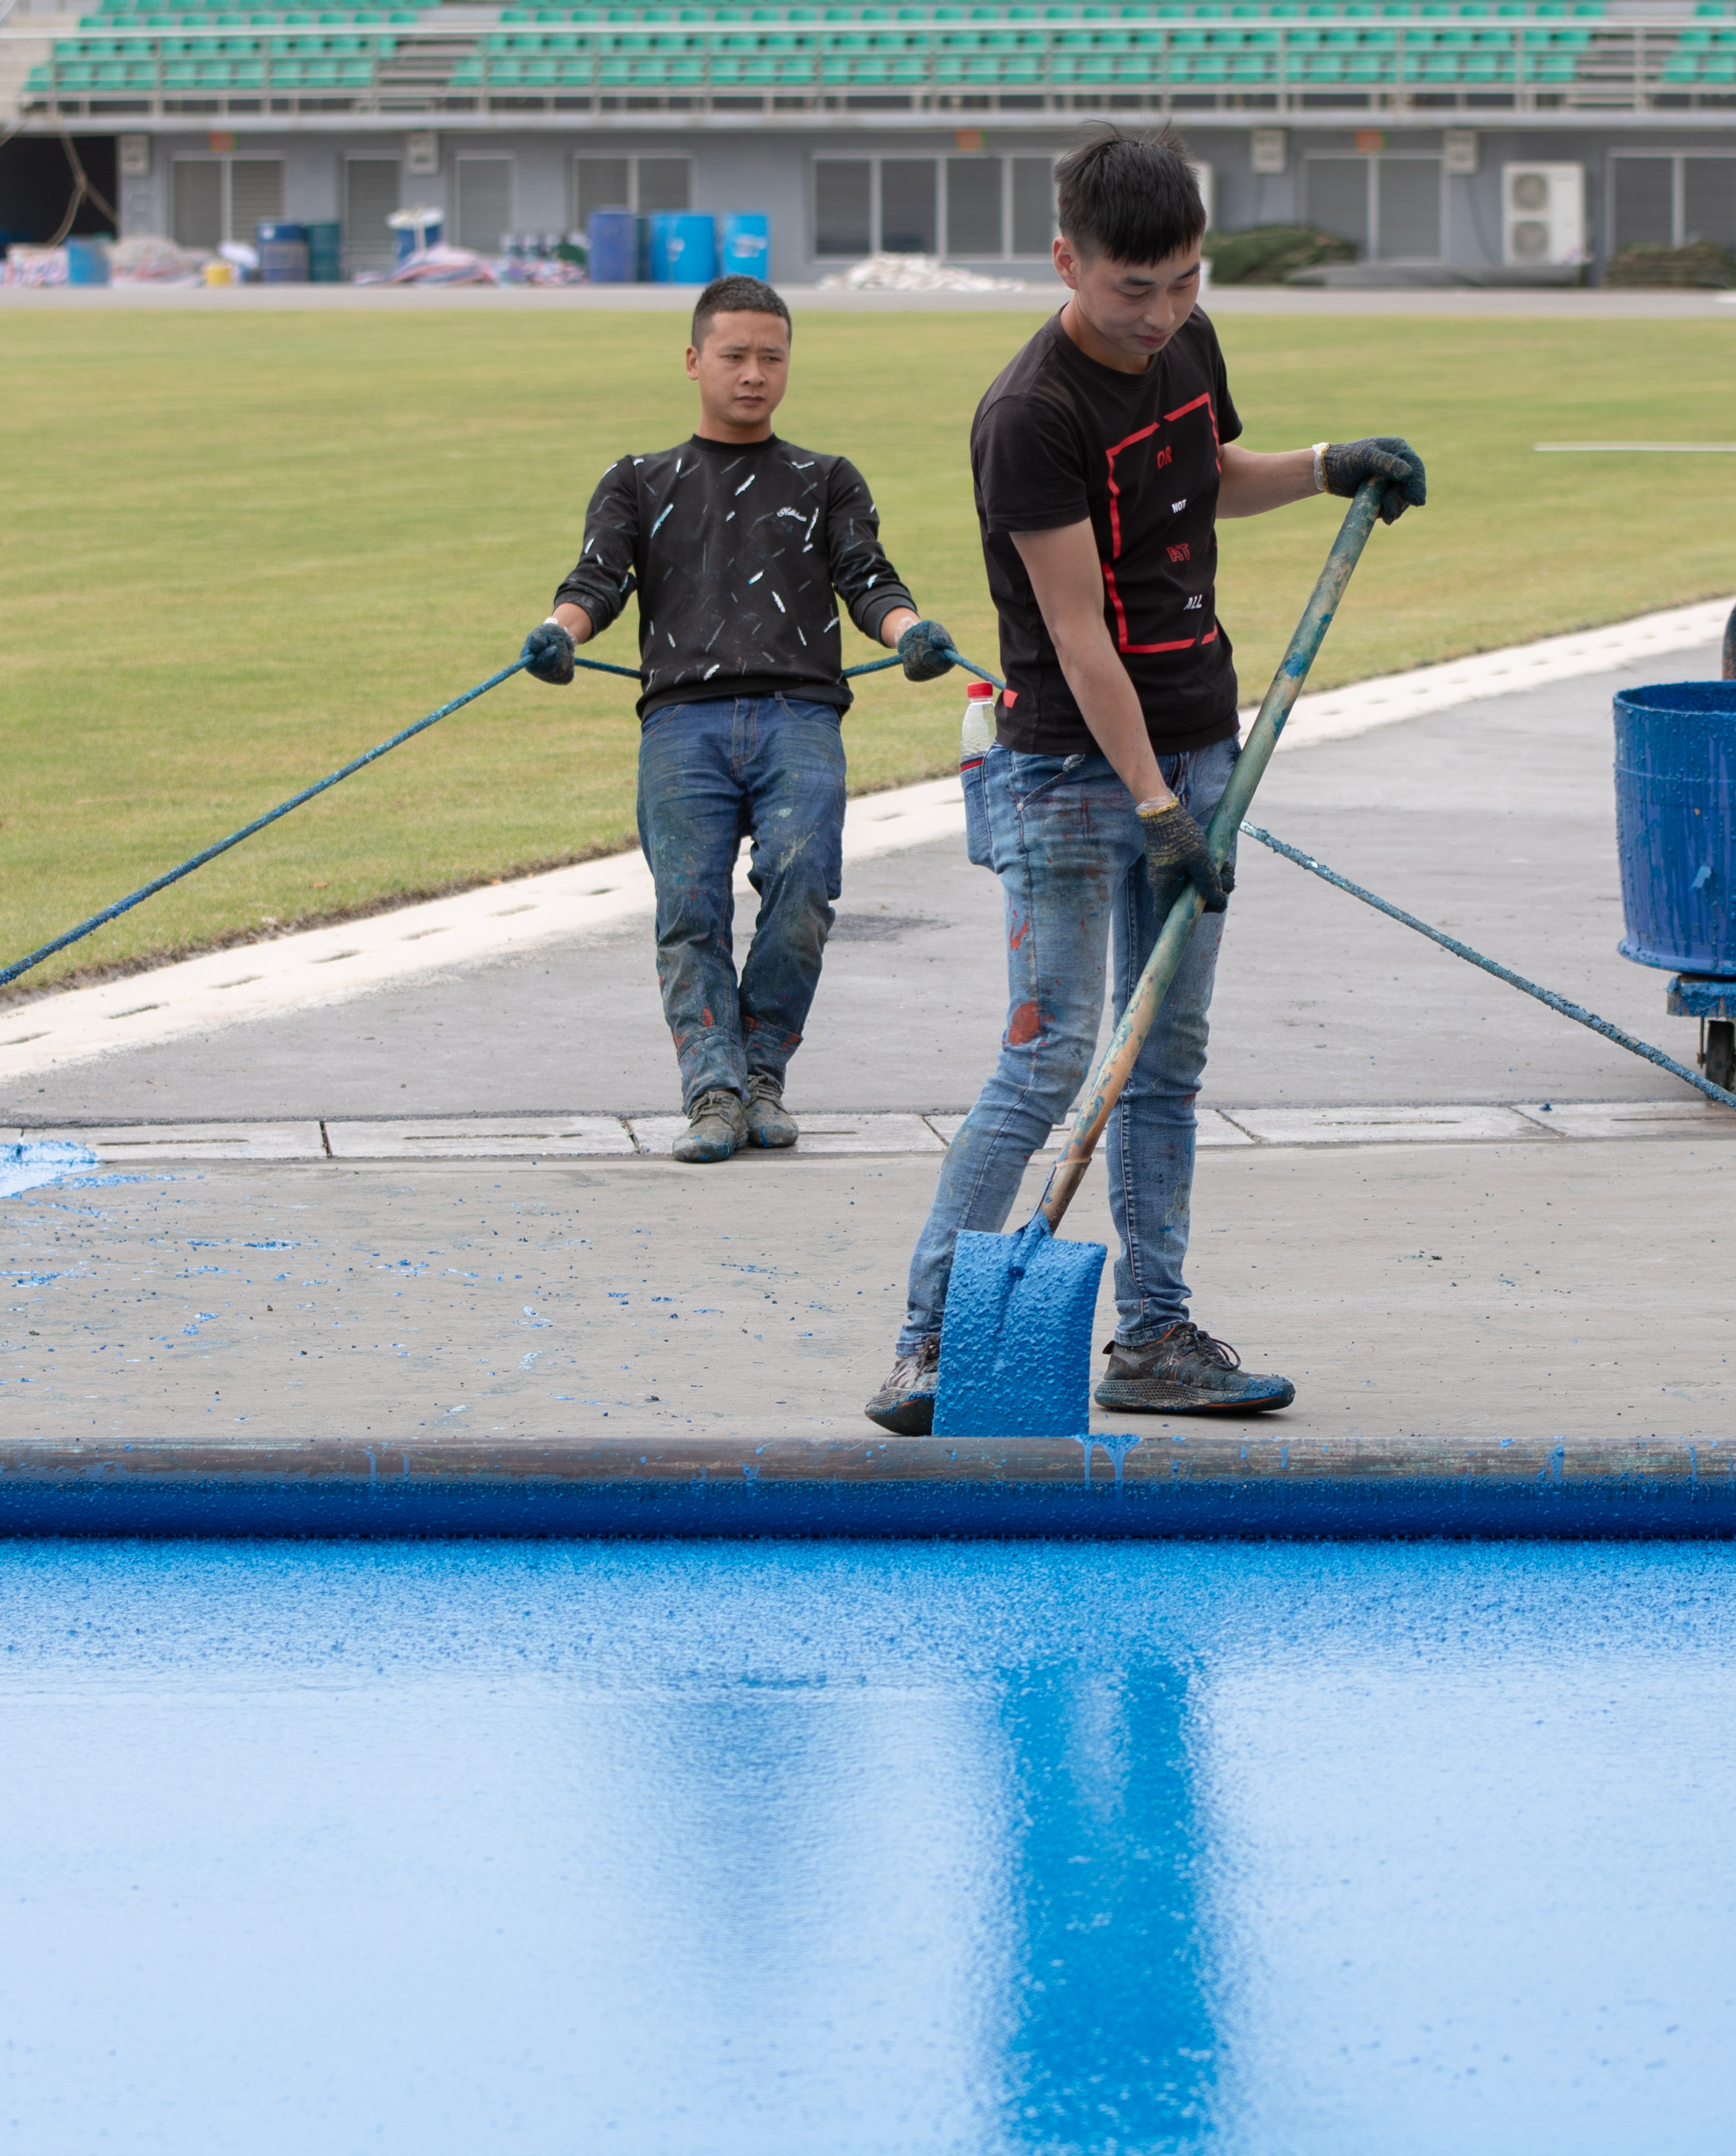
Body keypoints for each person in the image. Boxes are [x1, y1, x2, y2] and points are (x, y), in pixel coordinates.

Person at [864, 126, 1424, 1435]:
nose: (1162, 313)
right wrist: (1157, 806)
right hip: (1067, 772)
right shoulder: (1028, 414)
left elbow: (1204, 478)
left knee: (1164, 1059)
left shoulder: (1188, 342)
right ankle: (928, 1339)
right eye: (1134, 288)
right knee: (1051, 1054)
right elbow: (1076, 630)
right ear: (1067, 261)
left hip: (1200, 741)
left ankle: (1155, 1334)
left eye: (1184, 281)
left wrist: (1327, 466)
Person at [527, 276, 961, 1165]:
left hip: (799, 715)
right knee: (687, 910)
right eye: (734, 355)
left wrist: (909, 632)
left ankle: (761, 1075)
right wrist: (558, 634)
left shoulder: (826, 479)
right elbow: (597, 582)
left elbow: (867, 578)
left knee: (803, 892)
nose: (753, 373)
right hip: (680, 723)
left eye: (771, 356)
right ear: (694, 361)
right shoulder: (638, 480)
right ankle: (713, 1094)